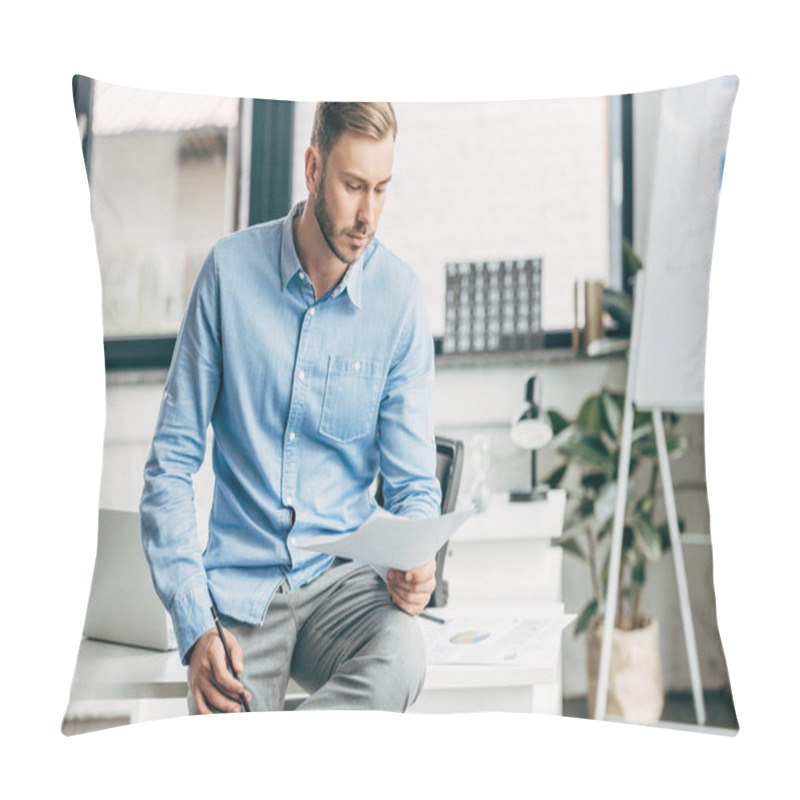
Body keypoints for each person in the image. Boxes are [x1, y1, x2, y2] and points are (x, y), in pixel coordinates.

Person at [140, 102, 441, 715]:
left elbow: (413, 487)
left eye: (382, 189)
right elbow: (169, 467)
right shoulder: (228, 273)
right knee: (223, 711)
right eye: (353, 186)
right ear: (312, 169)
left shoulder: (400, 301)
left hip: (344, 582)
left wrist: (417, 561)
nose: (368, 215)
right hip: (241, 591)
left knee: (404, 653)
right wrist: (197, 625)